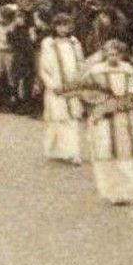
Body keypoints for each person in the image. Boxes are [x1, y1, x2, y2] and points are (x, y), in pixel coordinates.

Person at [85, 39, 133, 208]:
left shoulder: (128, 69)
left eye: (116, 53)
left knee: (127, 149)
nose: (112, 56)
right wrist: (102, 103)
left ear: (122, 54)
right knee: (107, 149)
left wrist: (128, 98)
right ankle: (116, 192)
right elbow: (87, 91)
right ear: (104, 53)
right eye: (109, 53)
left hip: (124, 113)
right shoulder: (95, 71)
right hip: (105, 115)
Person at [38, 13, 86, 164]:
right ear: (55, 26)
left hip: (72, 84)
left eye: (66, 25)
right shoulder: (48, 43)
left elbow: (80, 61)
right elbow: (44, 66)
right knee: (57, 117)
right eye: (60, 25)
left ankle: (74, 152)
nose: (63, 29)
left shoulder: (74, 42)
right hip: (56, 84)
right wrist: (51, 83)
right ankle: (55, 149)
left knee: (72, 116)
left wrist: (80, 78)